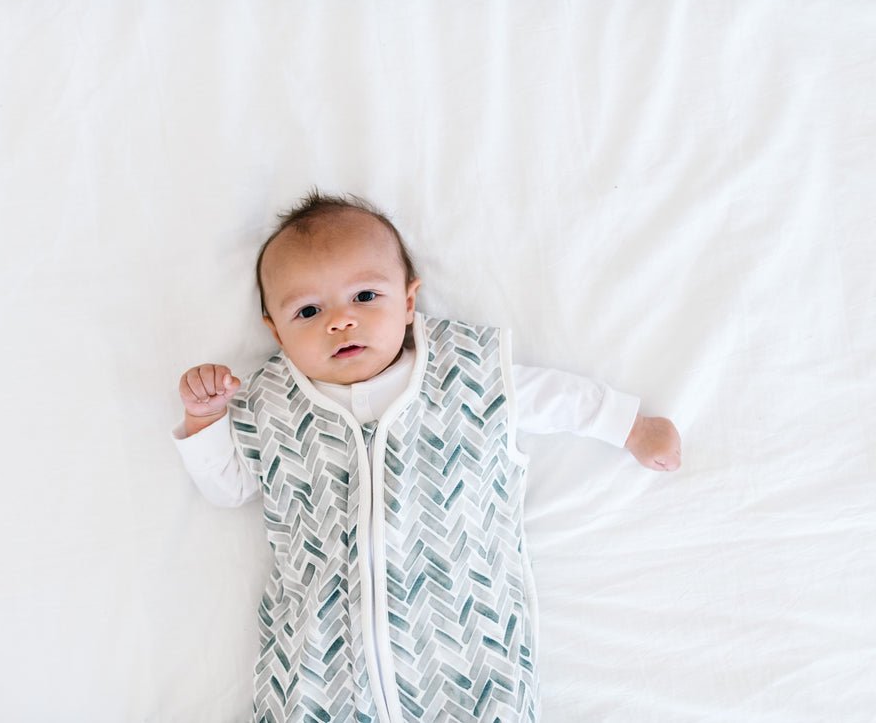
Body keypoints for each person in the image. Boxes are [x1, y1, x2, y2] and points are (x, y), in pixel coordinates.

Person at [172, 190, 682, 722]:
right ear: (275, 331)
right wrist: (204, 419)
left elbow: (553, 399)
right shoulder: (270, 404)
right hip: (318, 670)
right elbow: (227, 488)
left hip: (465, 646)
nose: (340, 321)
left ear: (409, 302)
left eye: (365, 296)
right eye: (308, 310)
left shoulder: (464, 373)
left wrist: (631, 426)